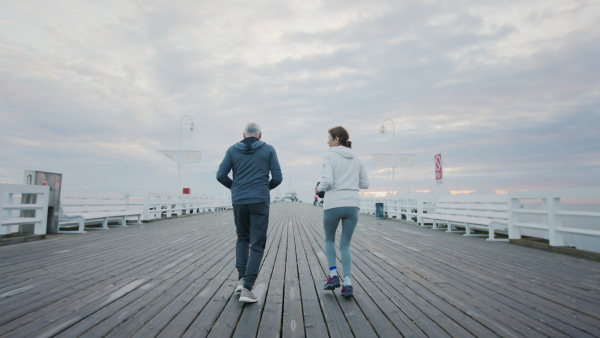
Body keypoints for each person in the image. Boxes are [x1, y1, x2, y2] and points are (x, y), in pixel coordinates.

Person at [216, 122, 282, 303]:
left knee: (242, 239)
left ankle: (241, 279)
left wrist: (236, 188)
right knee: (257, 244)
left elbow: (220, 175)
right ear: (260, 135)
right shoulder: (268, 150)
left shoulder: (232, 150)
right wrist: (262, 189)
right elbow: (277, 178)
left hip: (239, 201)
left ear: (243, 135)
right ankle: (247, 287)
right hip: (259, 200)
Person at [315, 126, 369, 298]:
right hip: (353, 204)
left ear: (337, 139)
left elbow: (328, 181)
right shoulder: (357, 158)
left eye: (329, 137)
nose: (327, 141)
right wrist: (350, 183)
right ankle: (347, 283)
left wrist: (318, 189)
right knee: (345, 244)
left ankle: (332, 276)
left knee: (329, 239)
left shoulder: (329, 156)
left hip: (334, 203)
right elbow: (365, 184)